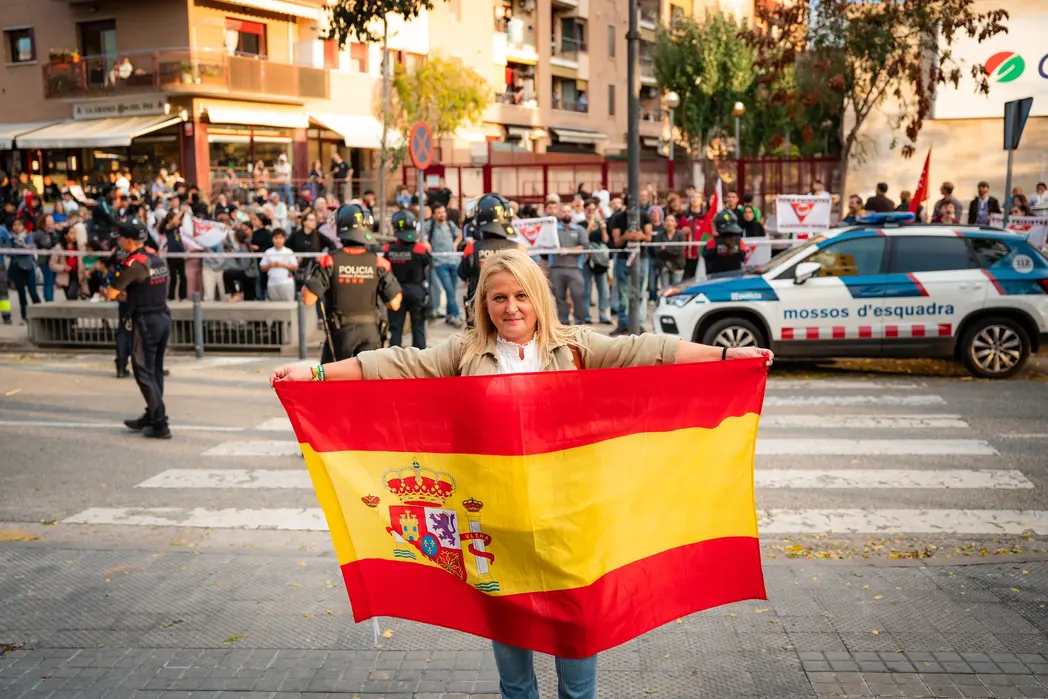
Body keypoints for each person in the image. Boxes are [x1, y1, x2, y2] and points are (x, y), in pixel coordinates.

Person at [270, 248, 773, 699]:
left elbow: (650, 351)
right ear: (484, 304)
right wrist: (314, 373)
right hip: (496, 535)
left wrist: (727, 355)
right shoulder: (466, 354)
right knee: (515, 683)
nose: (510, 307)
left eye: (520, 296)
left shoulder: (575, 347)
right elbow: (395, 364)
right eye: (498, 297)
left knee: (578, 681)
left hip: (570, 532)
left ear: (538, 299)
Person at [302, 203, 403, 363]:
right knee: (367, 382)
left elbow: (308, 298)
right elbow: (394, 303)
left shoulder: (329, 261)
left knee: (326, 377)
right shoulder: (379, 262)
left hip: (340, 335)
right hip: (371, 334)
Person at [106, 215, 172, 439]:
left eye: (121, 239)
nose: (119, 243)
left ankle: (160, 422)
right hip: (162, 317)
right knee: (154, 371)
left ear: (128, 241)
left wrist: (126, 294)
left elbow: (111, 293)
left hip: (145, 321)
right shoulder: (155, 257)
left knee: (143, 370)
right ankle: (152, 415)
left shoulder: (134, 263)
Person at [458, 193, 526, 327]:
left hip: (478, 306)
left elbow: (462, 273)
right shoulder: (519, 248)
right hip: (509, 309)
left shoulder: (471, 248)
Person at [384, 210, 431, 349]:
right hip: (417, 291)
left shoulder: (389, 248)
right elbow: (428, 265)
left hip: (396, 291)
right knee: (418, 328)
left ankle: (393, 361)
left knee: (395, 329)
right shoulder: (420, 249)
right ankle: (420, 359)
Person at [423, 203, 463, 326]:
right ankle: (457, 315)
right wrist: (426, 244)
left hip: (454, 262)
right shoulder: (430, 225)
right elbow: (421, 236)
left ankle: (449, 315)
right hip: (440, 263)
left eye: (443, 212)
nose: (442, 214)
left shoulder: (450, 225)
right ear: (434, 215)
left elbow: (460, 234)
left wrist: (456, 243)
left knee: (452, 291)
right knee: (449, 290)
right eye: (439, 212)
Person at [551, 202, 588, 325]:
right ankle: (563, 323)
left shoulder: (579, 229)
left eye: (568, 211)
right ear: (559, 214)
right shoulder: (553, 229)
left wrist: (567, 250)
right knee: (559, 298)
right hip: (556, 268)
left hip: (574, 268)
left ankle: (580, 322)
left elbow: (583, 247)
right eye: (563, 211)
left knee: (578, 296)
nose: (566, 214)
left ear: (572, 213)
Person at [703, 210, 748, 276]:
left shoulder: (713, 242)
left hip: (715, 280)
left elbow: (706, 256)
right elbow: (743, 257)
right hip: (735, 279)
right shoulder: (739, 241)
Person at [260, 228, 298, 302]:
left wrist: (282, 265)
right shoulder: (268, 252)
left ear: (284, 239)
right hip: (272, 283)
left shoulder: (288, 251)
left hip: (286, 283)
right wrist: (270, 265)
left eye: (280, 238)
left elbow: (294, 267)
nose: (278, 240)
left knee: (288, 305)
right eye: (276, 238)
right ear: (272, 239)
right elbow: (262, 267)